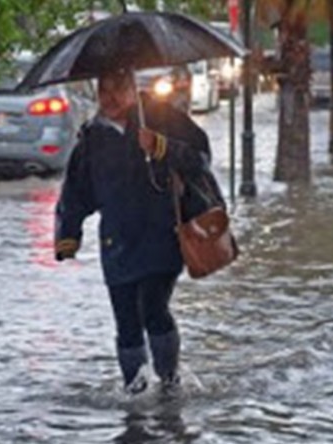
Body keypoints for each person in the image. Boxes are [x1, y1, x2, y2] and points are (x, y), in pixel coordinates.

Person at [54, 69, 215, 395]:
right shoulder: (91, 138)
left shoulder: (162, 118)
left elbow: (199, 159)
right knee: (126, 321)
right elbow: (75, 191)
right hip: (118, 243)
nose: (110, 97)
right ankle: (135, 391)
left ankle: (169, 381)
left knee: (154, 309)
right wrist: (67, 234)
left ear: (132, 87)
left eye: (118, 87)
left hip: (162, 236)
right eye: (104, 89)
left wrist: (161, 146)